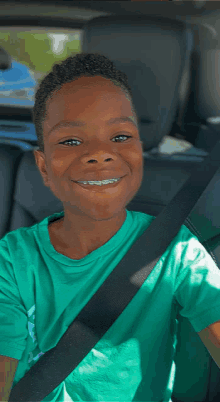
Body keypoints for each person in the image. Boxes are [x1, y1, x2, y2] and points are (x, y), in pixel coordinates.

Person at [1, 52, 220, 402]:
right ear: (43, 167)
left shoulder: (177, 252)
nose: (99, 153)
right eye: (71, 141)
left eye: (119, 137)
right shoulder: (12, 260)